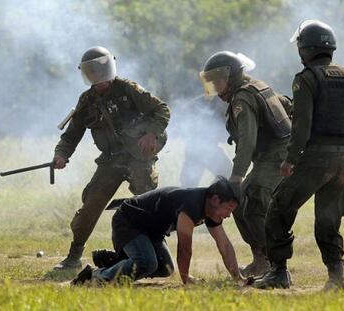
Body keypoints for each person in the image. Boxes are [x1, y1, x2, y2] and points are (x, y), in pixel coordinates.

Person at [254, 20, 344, 291]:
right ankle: (336, 278)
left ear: (305, 49)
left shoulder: (306, 80)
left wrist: (290, 159)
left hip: (315, 160)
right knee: (328, 219)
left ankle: (279, 272)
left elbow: (301, 126)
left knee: (278, 209)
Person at [53, 46, 170, 270]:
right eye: (91, 72)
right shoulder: (86, 101)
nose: (98, 77)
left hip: (138, 158)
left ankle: (158, 255)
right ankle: (74, 255)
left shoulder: (128, 89)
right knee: (91, 205)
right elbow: (72, 134)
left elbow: (162, 110)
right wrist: (61, 154)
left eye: (101, 70)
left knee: (149, 206)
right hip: (111, 161)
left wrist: (151, 133)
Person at [199, 51, 292, 277]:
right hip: (273, 154)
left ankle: (274, 264)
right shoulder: (256, 86)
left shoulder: (242, 98)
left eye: (217, 81)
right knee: (238, 201)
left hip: (277, 155)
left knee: (255, 199)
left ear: (230, 76)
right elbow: (288, 107)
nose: (215, 87)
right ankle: (261, 259)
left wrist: (237, 176)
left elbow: (248, 140)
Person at [71, 177, 249, 286]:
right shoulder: (193, 203)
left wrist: (238, 278)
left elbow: (224, 245)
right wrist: (186, 279)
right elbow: (185, 248)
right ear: (216, 199)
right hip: (128, 222)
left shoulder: (211, 209)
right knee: (147, 263)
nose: (228, 215)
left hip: (151, 231)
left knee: (165, 268)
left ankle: (116, 261)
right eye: (228, 208)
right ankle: (93, 277)